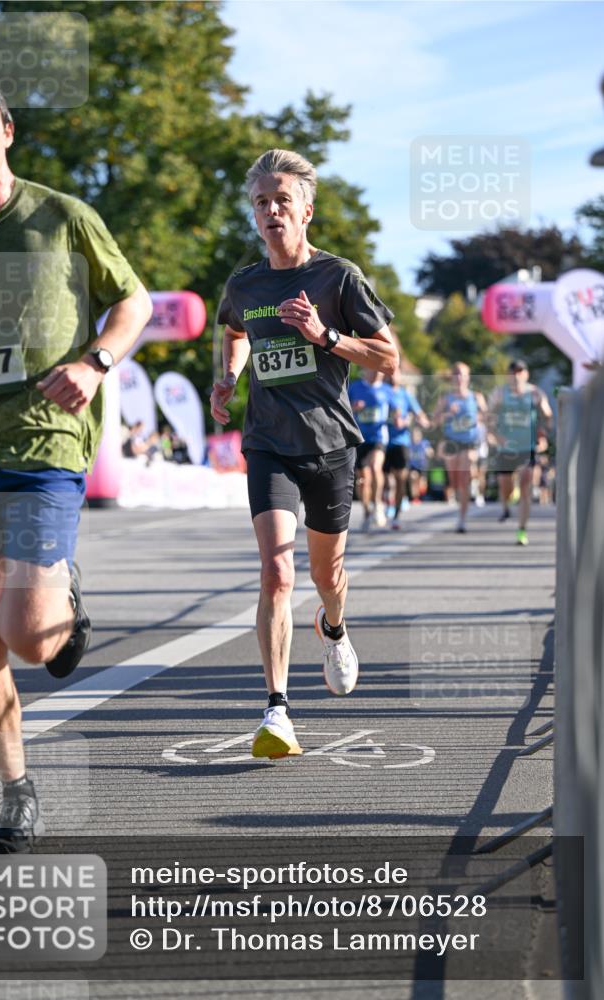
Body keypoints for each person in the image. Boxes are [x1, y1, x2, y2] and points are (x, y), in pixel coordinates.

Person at [0, 64, 152, 852]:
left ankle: (64, 607)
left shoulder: (62, 217)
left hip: (40, 446)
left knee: (26, 633)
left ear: (6, 131)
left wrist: (96, 361)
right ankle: (15, 792)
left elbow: (133, 299)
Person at [210, 148, 397, 759]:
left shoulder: (337, 278)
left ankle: (334, 626)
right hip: (269, 445)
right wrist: (227, 378)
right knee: (276, 571)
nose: (271, 212)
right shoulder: (245, 283)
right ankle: (277, 709)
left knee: (327, 577)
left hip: (331, 446)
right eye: (261, 203)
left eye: (282, 201)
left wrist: (327, 336)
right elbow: (233, 329)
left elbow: (388, 357)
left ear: (306, 210)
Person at [487, 359, 552, 545]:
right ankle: (507, 503)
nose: (516, 376)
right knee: (505, 489)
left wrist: (544, 433)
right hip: (506, 447)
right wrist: (495, 435)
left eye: (520, 372)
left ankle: (522, 531)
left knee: (526, 486)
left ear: (526, 374)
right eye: (513, 372)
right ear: (508, 375)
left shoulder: (535, 393)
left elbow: (547, 416)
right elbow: (489, 416)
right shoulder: (500, 393)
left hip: (527, 446)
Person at [432, 362, 487, 533]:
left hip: (469, 442)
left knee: (464, 478)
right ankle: (460, 502)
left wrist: (481, 418)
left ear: (468, 377)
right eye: (456, 373)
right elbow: (434, 421)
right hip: (451, 441)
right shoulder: (446, 399)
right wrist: (448, 413)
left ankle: (462, 519)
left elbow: (488, 416)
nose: (459, 377)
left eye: (462, 373)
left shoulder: (476, 397)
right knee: (455, 481)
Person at [383, 367, 430, 530]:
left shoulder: (405, 395)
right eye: (390, 372)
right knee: (385, 480)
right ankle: (382, 506)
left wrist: (418, 420)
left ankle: (395, 515)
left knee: (400, 479)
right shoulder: (381, 391)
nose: (393, 375)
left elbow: (420, 415)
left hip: (401, 442)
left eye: (396, 372)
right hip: (382, 440)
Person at [348, 366, 390, 530]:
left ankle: (378, 503)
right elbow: (343, 410)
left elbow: (400, 410)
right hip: (359, 438)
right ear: (366, 370)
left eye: (379, 369)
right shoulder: (355, 387)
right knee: (362, 479)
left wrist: (401, 417)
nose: (377, 372)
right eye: (373, 368)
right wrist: (354, 407)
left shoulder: (387, 390)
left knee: (375, 466)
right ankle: (366, 510)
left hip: (379, 437)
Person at [408, 425, 433, 503]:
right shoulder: (409, 444)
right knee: (413, 478)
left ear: (420, 435)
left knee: (422, 483)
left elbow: (431, 452)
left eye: (417, 435)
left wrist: (429, 452)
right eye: (413, 435)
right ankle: (415, 497)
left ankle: (421, 494)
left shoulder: (424, 443)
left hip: (422, 466)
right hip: (413, 466)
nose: (415, 437)